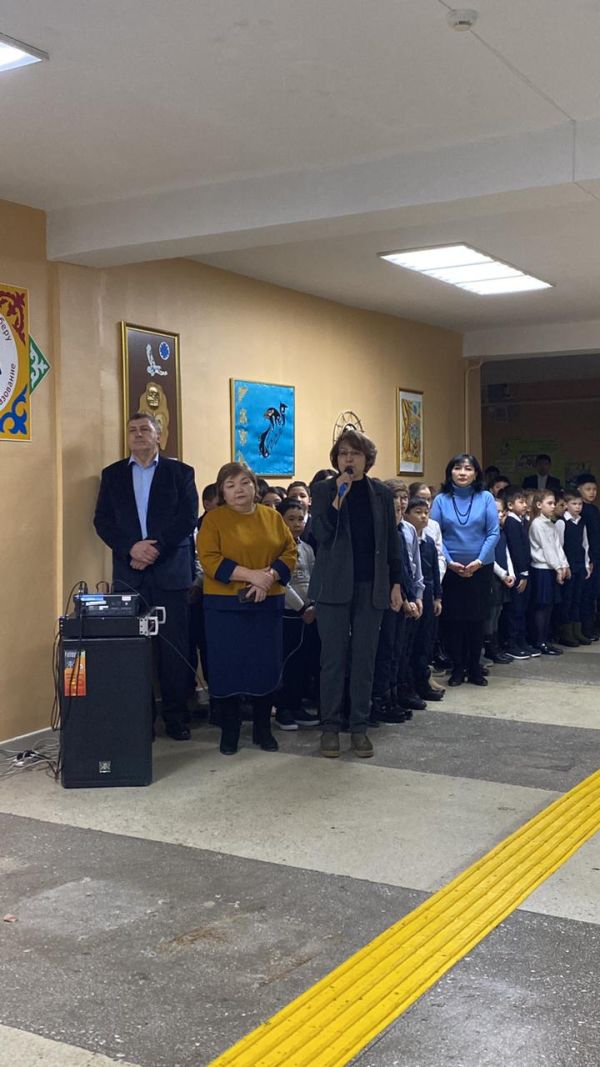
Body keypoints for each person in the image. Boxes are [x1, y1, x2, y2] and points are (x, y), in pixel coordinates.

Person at [94, 412, 199, 740]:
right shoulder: (112, 475)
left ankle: (176, 717)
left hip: (170, 571)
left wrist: (155, 550)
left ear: (158, 436)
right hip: (130, 574)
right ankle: (141, 720)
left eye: (144, 429)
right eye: (132, 430)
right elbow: (102, 521)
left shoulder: (180, 473)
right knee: (133, 649)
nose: (138, 435)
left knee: (173, 649)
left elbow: (187, 517)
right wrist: (132, 549)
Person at [309, 430, 403, 759]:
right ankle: (330, 727)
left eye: (356, 453)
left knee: (365, 658)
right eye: (343, 453)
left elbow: (391, 541)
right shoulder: (323, 490)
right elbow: (320, 534)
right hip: (333, 586)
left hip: (371, 585)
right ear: (336, 459)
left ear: (367, 459)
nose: (349, 459)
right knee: (333, 659)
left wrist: (396, 582)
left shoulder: (381, 493)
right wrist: (339, 498)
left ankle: (359, 727)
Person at [197, 462, 297, 755]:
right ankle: (230, 731)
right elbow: (209, 559)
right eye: (230, 485)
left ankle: (263, 729)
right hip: (225, 606)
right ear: (222, 492)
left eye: (244, 483)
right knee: (227, 667)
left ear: (255, 486)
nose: (238, 490)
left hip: (267, 602)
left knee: (265, 665)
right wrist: (252, 576)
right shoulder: (213, 520)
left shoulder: (272, 517)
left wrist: (269, 577)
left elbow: (289, 551)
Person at [430, 453, 499, 687]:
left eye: (468, 469)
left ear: (476, 473)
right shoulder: (441, 500)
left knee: (476, 620)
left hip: (481, 568)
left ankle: (475, 667)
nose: (462, 473)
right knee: (454, 620)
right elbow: (435, 534)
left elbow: (493, 532)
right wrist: (450, 562)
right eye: (457, 468)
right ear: (450, 472)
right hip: (451, 570)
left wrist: (479, 561)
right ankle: (458, 668)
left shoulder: (486, 497)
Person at [273, 499, 320, 730]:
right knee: (287, 662)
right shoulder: (275, 547)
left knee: (302, 662)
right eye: (290, 519)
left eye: (300, 519)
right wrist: (301, 608)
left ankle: (296, 704)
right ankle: (283, 709)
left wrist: (313, 605)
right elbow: (281, 583)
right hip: (289, 613)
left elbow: (314, 577)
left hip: (309, 612)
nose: (296, 524)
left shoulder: (307, 548)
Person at [404, 498, 443, 701]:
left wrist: (438, 597)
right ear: (406, 515)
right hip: (412, 595)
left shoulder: (428, 542)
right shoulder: (406, 539)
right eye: (418, 512)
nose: (423, 517)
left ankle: (423, 681)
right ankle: (410, 685)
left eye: (426, 512)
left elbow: (434, 570)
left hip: (427, 595)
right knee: (411, 642)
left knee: (426, 641)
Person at [528, 490, 569, 655]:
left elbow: (557, 547)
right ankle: (539, 641)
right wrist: (558, 567)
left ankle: (545, 638)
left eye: (554, 503)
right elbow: (547, 549)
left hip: (551, 568)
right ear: (539, 505)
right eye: (549, 503)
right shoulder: (537, 523)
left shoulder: (550, 523)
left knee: (550, 606)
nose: (553, 506)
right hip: (542, 569)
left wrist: (564, 564)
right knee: (542, 606)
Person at [502, 486, 539, 660]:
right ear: (510, 505)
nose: (525, 505)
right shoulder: (511, 522)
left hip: (524, 570)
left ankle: (521, 641)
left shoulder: (521, 521)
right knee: (515, 609)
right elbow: (516, 550)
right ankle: (511, 643)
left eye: (525, 502)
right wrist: (523, 573)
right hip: (517, 572)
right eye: (521, 502)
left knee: (522, 608)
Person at [555, 490, 593, 647]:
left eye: (580, 504)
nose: (578, 507)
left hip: (579, 565)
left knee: (578, 598)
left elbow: (585, 544)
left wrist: (587, 564)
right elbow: (559, 546)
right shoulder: (561, 522)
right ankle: (566, 632)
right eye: (574, 504)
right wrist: (563, 565)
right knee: (567, 598)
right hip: (568, 565)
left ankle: (577, 630)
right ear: (566, 505)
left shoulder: (581, 522)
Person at [576, 473, 600, 640]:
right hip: (588, 557)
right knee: (586, 595)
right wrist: (590, 558)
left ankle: (590, 628)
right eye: (588, 489)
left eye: (594, 489)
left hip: (594, 556)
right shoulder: (583, 510)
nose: (592, 492)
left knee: (592, 594)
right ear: (579, 490)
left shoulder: (593, 509)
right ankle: (586, 629)